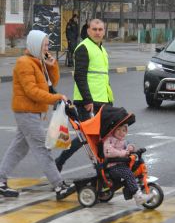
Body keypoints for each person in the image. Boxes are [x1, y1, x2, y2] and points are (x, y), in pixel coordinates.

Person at [0, 30, 75, 200]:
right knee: (43, 148)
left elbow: (51, 84)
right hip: (26, 111)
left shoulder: (38, 62)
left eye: (48, 44)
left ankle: (1, 180)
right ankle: (59, 186)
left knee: (19, 148)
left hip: (31, 112)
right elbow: (32, 91)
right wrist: (56, 98)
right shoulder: (24, 63)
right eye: (45, 45)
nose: (48, 48)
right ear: (35, 45)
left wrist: (52, 64)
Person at [55, 19, 114, 172]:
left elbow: (102, 77)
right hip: (87, 101)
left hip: (102, 100)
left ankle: (102, 168)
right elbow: (79, 76)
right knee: (87, 137)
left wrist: (109, 100)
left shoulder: (101, 49)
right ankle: (60, 162)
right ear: (88, 31)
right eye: (94, 29)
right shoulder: (83, 48)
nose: (98, 32)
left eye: (101, 29)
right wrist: (88, 100)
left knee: (99, 136)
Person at [103, 124, 153, 206]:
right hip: (113, 166)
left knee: (137, 164)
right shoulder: (109, 140)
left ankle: (138, 185)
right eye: (118, 129)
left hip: (123, 163)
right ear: (113, 130)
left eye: (123, 130)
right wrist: (122, 153)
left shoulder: (123, 140)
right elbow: (108, 152)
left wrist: (131, 148)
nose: (121, 132)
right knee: (128, 174)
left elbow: (129, 145)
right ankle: (138, 198)